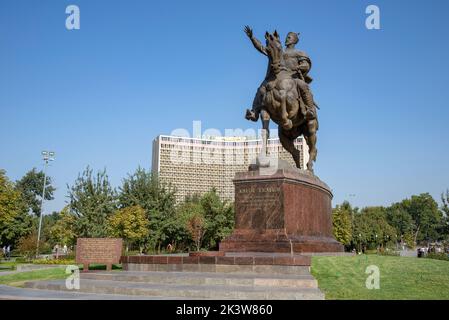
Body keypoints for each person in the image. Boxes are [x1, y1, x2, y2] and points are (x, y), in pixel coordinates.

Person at [244, 26, 317, 122]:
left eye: (289, 37)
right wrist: (252, 38)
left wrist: (300, 67)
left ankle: (310, 109)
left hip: (292, 77)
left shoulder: (299, 52)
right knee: (261, 89)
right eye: (286, 37)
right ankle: (254, 112)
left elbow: (306, 65)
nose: (287, 39)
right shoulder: (278, 50)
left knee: (303, 85)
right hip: (277, 77)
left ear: (294, 40)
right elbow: (262, 48)